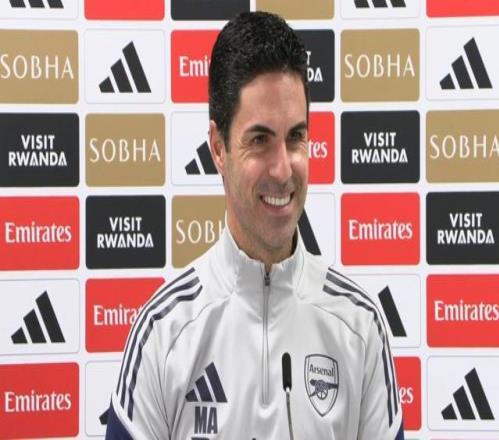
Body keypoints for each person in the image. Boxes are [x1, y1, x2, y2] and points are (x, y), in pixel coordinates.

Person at [105, 11, 404, 440]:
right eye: (260, 140)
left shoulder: (360, 326)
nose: (283, 169)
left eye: (295, 137)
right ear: (218, 148)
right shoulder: (163, 333)